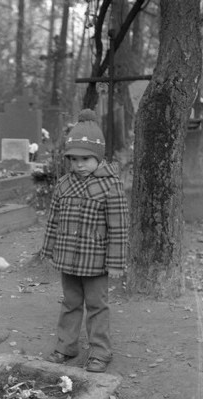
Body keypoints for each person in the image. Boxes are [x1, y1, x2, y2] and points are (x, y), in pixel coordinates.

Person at [38, 108, 129, 373]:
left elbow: (119, 227)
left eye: (86, 159)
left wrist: (116, 263)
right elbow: (53, 220)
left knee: (97, 305)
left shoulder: (110, 186)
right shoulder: (64, 184)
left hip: (96, 261)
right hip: (68, 259)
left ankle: (100, 351)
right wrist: (48, 251)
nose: (79, 165)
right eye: (74, 159)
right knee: (70, 303)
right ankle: (66, 346)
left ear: (98, 157)